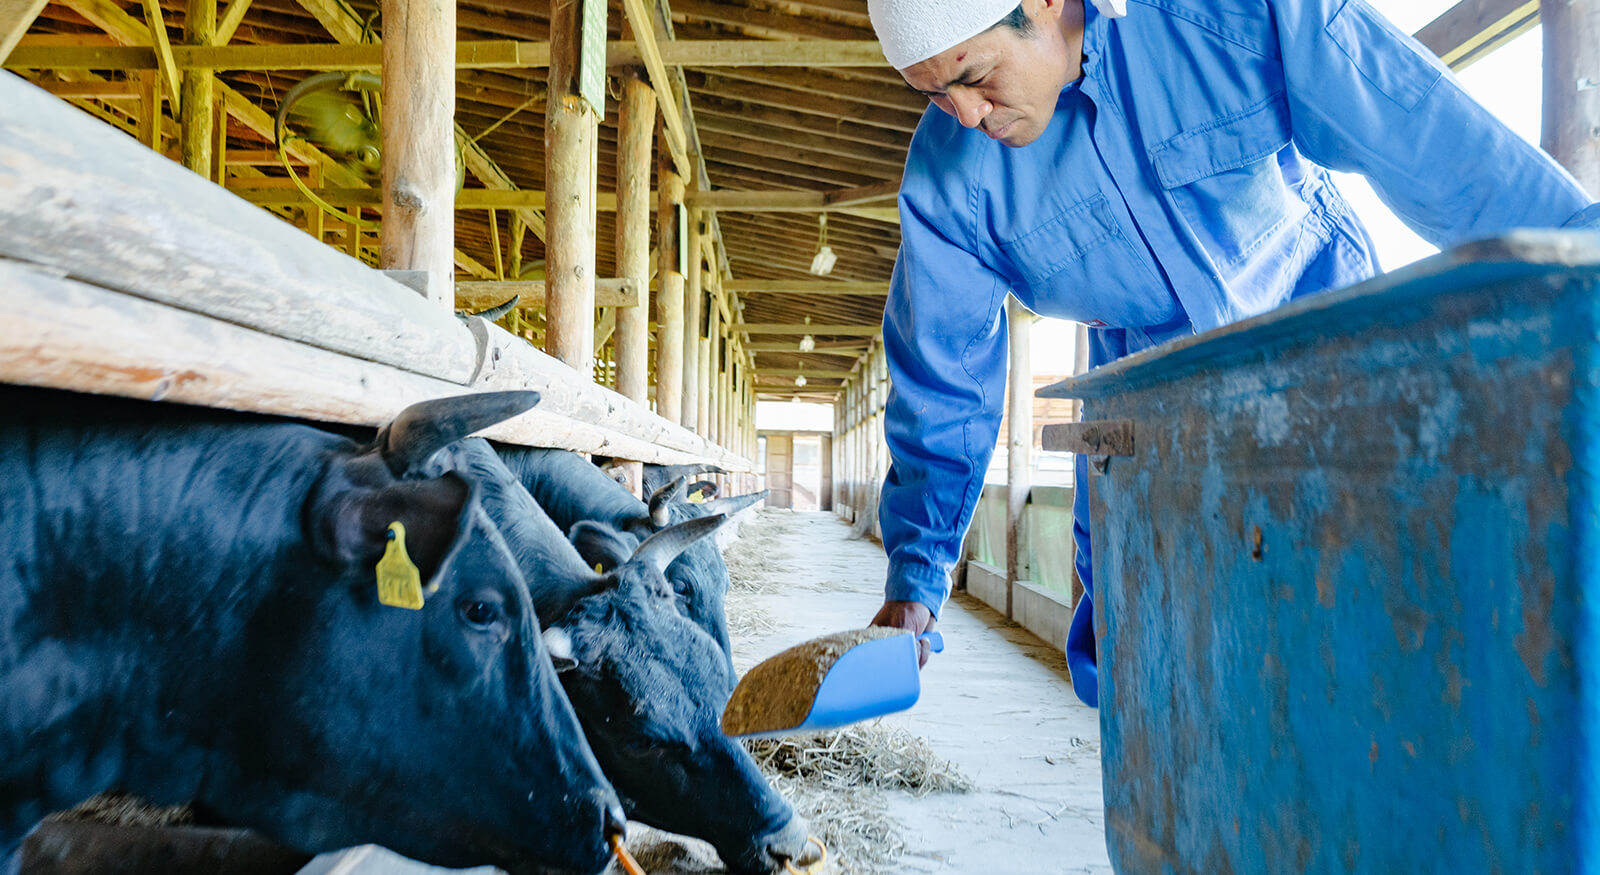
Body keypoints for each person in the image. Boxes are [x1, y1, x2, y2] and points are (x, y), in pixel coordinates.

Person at [862, 0, 1600, 706]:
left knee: (1380, 646)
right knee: (1163, 684)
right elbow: (943, 377)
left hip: (1331, 376)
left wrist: (1581, 269)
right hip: (1146, 443)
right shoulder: (948, 184)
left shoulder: (1226, 12)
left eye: (973, 75)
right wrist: (916, 579)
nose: (962, 115)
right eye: (932, 94)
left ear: (1046, 0)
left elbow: (1429, 141)